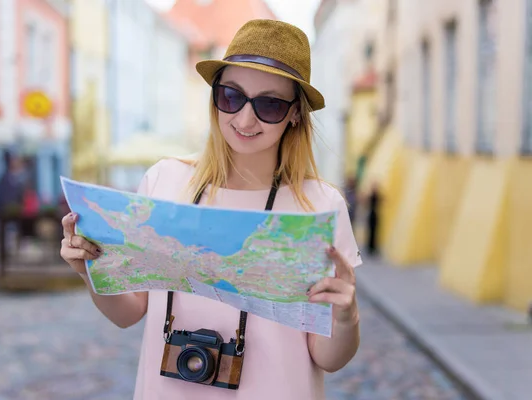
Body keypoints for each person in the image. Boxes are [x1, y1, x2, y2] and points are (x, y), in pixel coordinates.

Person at [60, 19, 363, 400]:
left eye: (269, 104)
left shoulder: (321, 205)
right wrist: (90, 270)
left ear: (295, 114)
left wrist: (347, 317)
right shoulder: (164, 182)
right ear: (214, 97)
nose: (245, 119)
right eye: (231, 97)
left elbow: (328, 358)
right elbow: (128, 314)